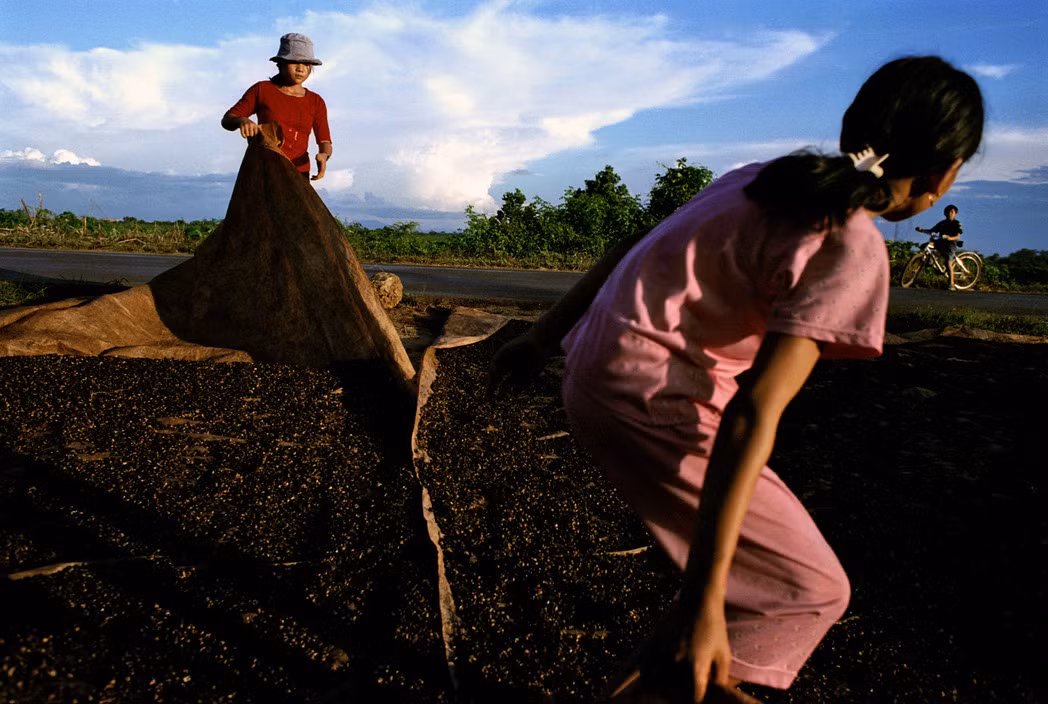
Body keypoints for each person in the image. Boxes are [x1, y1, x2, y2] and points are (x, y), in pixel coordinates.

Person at [489, 56, 983, 703]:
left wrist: (540, 338)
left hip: (594, 375)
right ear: (946, 172)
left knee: (736, 589)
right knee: (808, 589)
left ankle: (674, 661)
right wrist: (704, 603)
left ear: (852, 126)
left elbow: (625, 249)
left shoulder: (757, 180)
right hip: (654, 401)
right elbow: (752, 412)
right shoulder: (850, 244)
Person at [222, 33, 332, 181]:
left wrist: (324, 155)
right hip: (263, 171)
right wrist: (242, 121)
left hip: (298, 174)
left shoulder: (316, 101)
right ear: (280, 64)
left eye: (306, 64)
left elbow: (325, 141)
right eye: (294, 62)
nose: (301, 68)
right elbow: (227, 119)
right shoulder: (262, 90)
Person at [916, 204, 964, 289]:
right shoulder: (942, 223)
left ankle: (951, 284)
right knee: (926, 245)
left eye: (952, 212)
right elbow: (932, 231)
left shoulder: (957, 223)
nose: (949, 213)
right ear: (944, 213)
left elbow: (958, 236)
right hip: (941, 242)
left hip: (951, 244)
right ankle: (929, 259)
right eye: (947, 212)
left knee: (948, 263)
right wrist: (922, 230)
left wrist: (949, 238)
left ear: (955, 214)